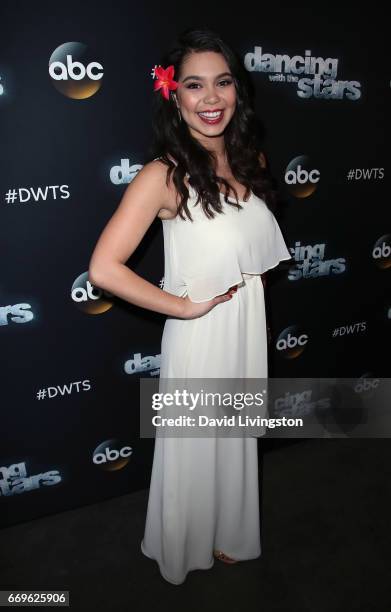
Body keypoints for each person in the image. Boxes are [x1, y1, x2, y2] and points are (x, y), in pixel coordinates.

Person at [88, 27, 292, 585]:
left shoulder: (250, 158)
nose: (211, 99)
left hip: (244, 324)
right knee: (198, 446)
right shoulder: (163, 175)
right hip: (201, 337)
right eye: (195, 85)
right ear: (174, 96)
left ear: (237, 92)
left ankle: (231, 531)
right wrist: (182, 308)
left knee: (234, 437)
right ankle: (184, 544)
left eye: (222, 82)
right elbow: (104, 268)